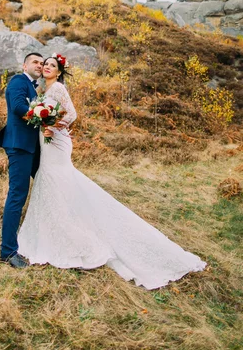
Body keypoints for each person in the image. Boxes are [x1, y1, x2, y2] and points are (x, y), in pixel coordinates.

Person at [17, 54, 207, 290]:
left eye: (52, 65)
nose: (46, 67)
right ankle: (55, 225)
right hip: (48, 144)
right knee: (51, 181)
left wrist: (52, 126)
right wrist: (44, 123)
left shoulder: (58, 88)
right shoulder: (42, 90)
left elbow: (72, 114)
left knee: (59, 179)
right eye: (44, 65)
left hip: (56, 143)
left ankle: (70, 228)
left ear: (59, 71)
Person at [0, 52, 44, 268]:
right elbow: (17, 107)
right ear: (24, 65)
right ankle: (8, 251)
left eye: (42, 63)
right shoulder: (18, 81)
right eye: (35, 62)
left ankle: (41, 237)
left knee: (48, 186)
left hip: (33, 147)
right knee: (17, 195)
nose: (39, 65)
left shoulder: (34, 88)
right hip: (20, 146)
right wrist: (44, 114)